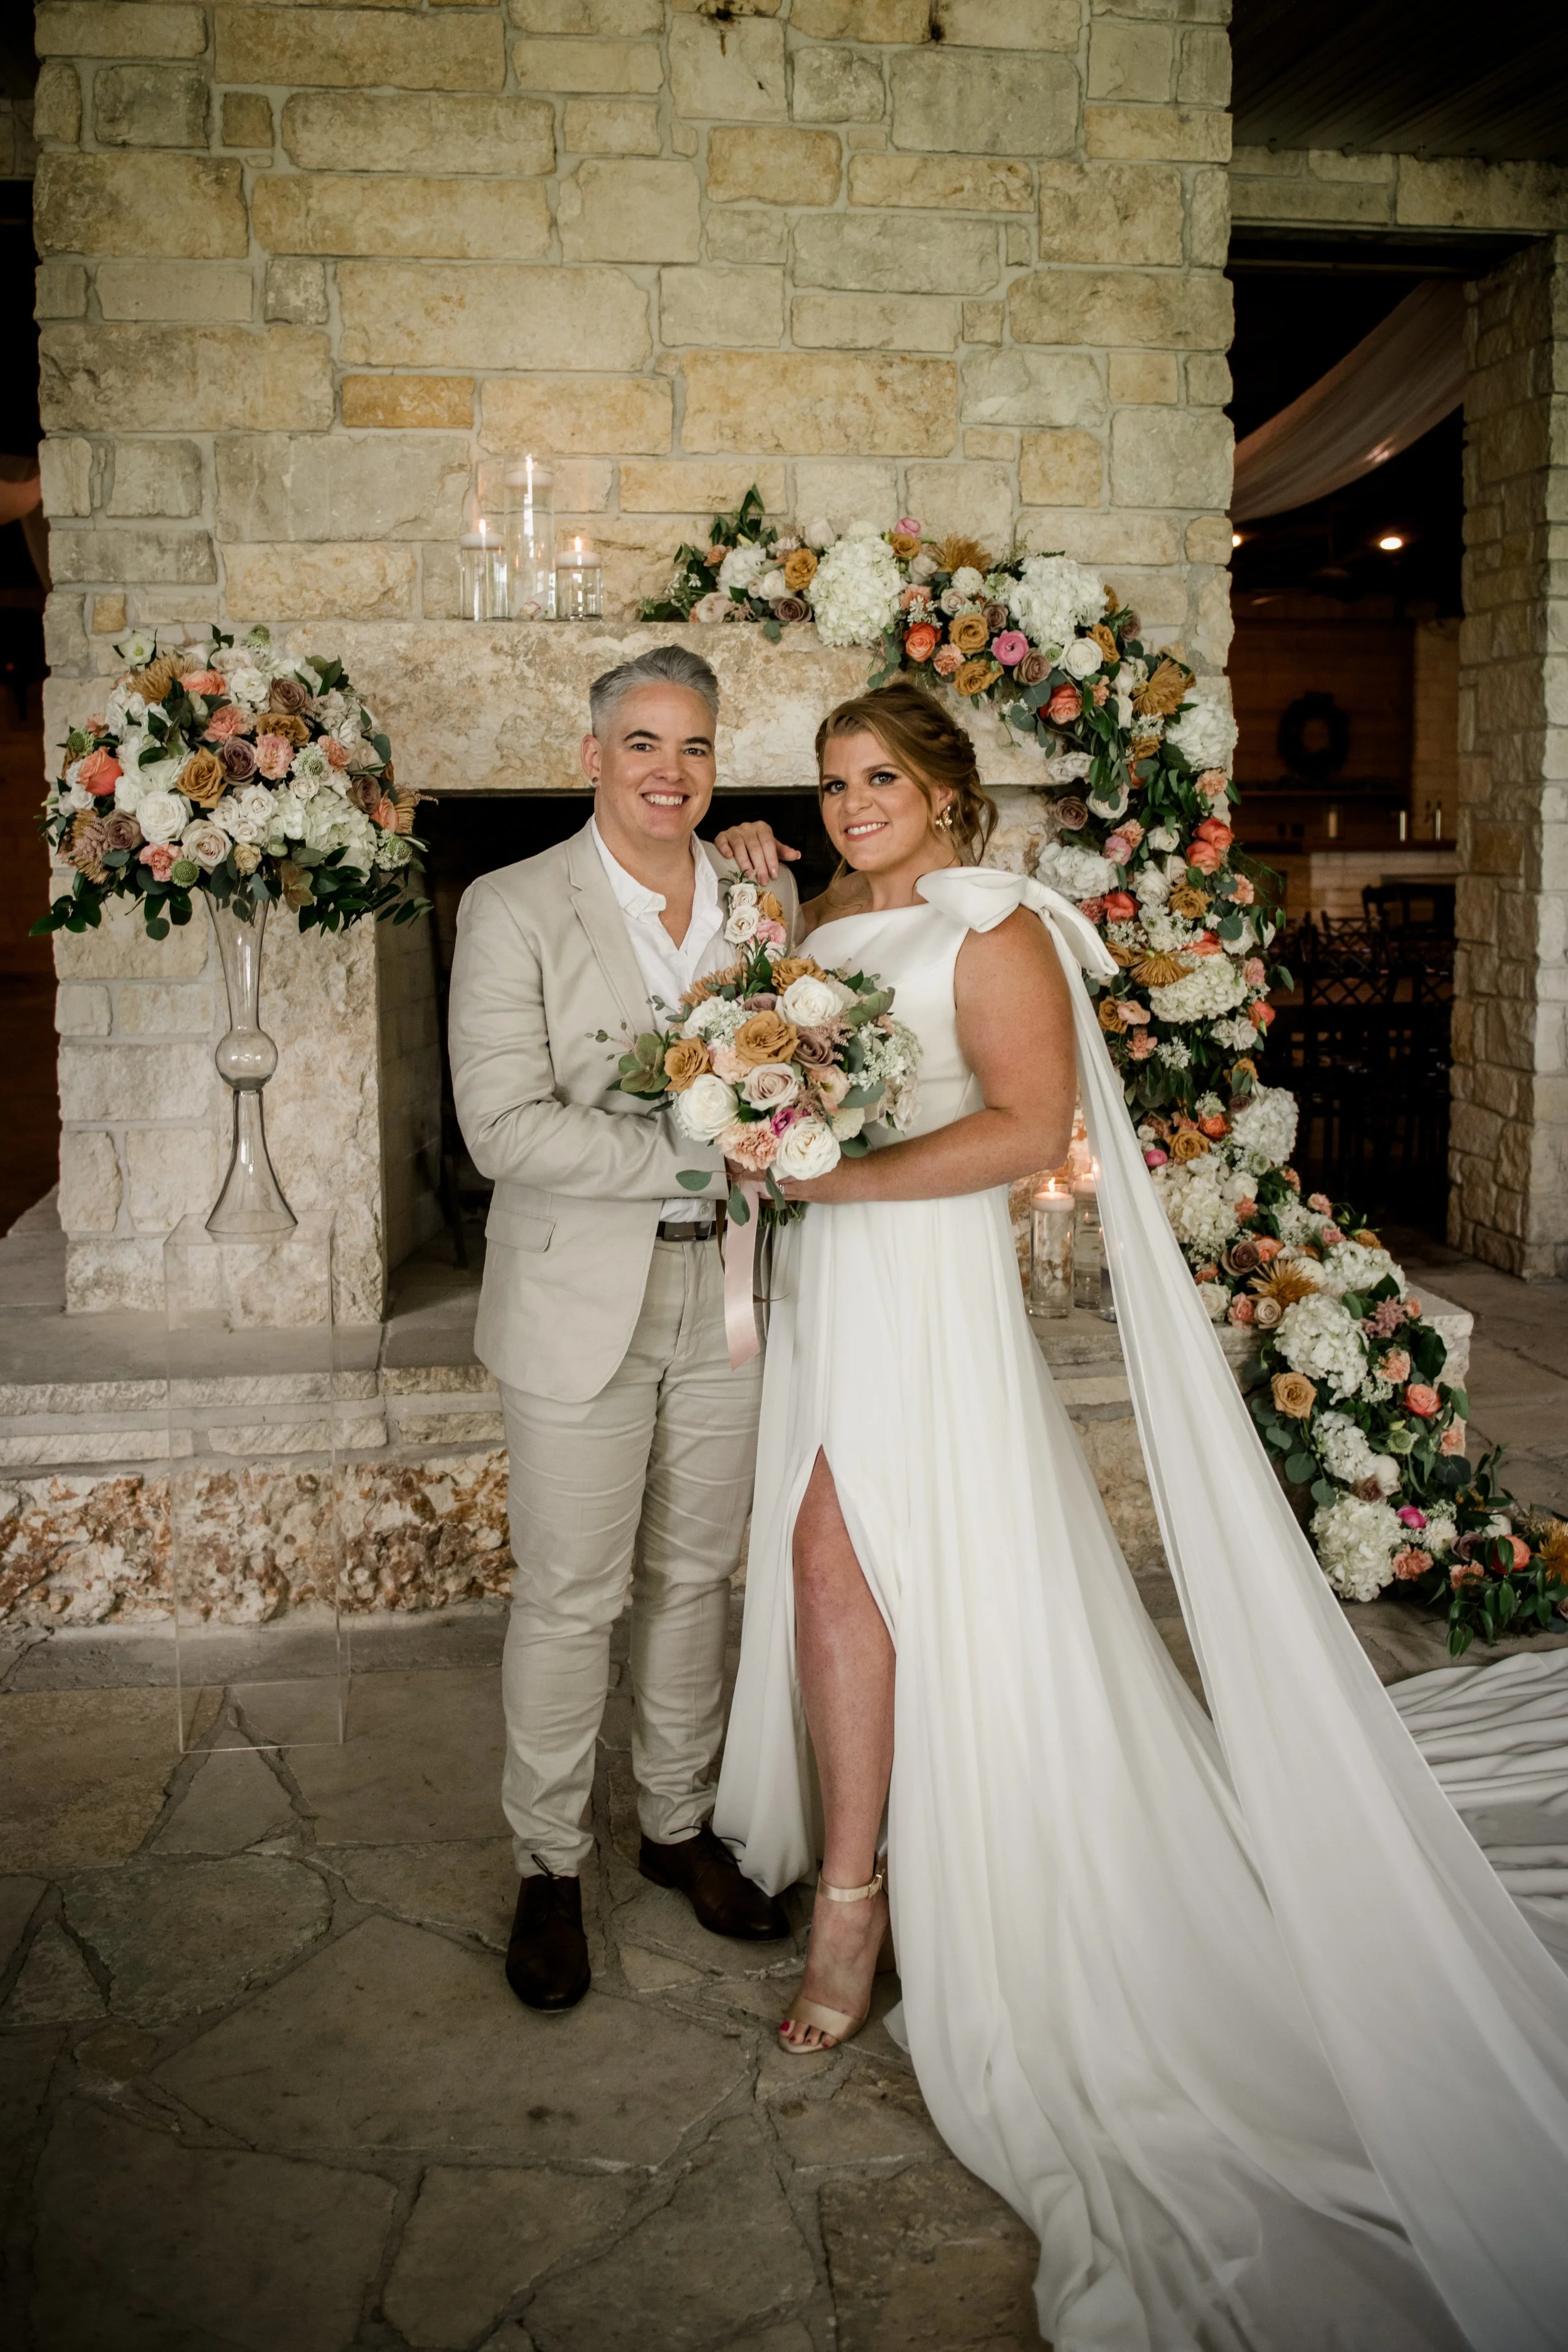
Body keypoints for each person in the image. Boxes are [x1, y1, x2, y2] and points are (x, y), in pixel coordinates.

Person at [709, 681, 1568, 2351]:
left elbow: (1027, 1128)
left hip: (919, 1289)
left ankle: (857, 1904)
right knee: (839, 1561)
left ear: (948, 789)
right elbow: (782, 1067)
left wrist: (831, 1178)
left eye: (880, 775)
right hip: (832, 1287)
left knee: (854, 1555)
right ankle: (866, 1874)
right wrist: (755, 1020)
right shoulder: (824, 913)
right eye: (830, 779)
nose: (850, 800)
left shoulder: (995, 924)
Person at [447, 644, 799, 2012]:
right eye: (643, 744)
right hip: (576, 1299)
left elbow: (806, 1056)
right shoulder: (511, 903)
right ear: (590, 755)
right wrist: (703, 1156)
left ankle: (672, 1829)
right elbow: (501, 1127)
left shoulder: (760, 898)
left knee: (695, 1575)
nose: (671, 772)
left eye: (696, 747)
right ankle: (546, 1864)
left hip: (728, 1300)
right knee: (570, 1593)